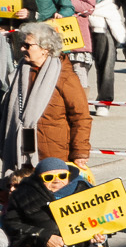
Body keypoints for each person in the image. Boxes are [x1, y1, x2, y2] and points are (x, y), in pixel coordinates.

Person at [1, 22, 93, 175]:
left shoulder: (65, 77)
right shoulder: (21, 72)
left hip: (52, 154)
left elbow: (81, 117)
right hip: (19, 152)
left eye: (27, 45)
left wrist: (80, 153)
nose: (22, 48)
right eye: (22, 44)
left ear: (45, 49)